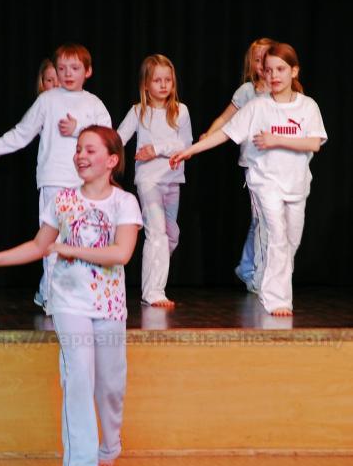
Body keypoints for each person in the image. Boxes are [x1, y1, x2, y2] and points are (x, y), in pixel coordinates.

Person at [0, 126, 143, 466]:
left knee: (110, 384)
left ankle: (109, 443)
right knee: (78, 375)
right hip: (68, 301)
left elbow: (121, 253)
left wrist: (71, 249)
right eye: (78, 149)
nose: (81, 156)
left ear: (111, 160)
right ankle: (80, 462)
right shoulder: (62, 199)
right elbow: (39, 245)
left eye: (90, 150)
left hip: (108, 305)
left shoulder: (125, 203)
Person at [170, 43, 327, 317]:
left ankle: (272, 288)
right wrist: (191, 150)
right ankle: (277, 298)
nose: (274, 76)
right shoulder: (257, 107)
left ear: (294, 71)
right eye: (269, 70)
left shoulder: (308, 106)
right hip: (264, 181)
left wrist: (276, 139)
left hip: (296, 183)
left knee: (291, 240)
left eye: (280, 69)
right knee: (276, 234)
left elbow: (314, 143)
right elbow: (226, 133)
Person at [0, 43, 112, 311]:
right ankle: (53, 302)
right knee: (52, 241)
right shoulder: (47, 101)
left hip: (86, 184)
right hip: (54, 180)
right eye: (62, 68)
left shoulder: (94, 104)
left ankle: (52, 294)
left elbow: (108, 139)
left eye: (75, 68)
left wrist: (79, 129)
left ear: (88, 71)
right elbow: (20, 134)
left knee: (82, 241)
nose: (68, 74)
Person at [199, 37, 274, 294]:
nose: (262, 65)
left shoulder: (284, 90)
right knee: (262, 219)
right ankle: (258, 275)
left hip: (280, 165)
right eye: (257, 60)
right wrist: (209, 135)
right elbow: (225, 118)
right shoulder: (246, 92)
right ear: (251, 64)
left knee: (267, 221)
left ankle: (248, 267)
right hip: (254, 164)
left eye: (266, 59)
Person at [117, 54, 193, 308]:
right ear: (146, 84)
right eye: (157, 80)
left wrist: (156, 149)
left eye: (167, 80)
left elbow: (186, 145)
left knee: (171, 236)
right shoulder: (138, 111)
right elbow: (118, 138)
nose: (163, 85)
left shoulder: (181, 111)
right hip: (148, 181)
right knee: (156, 232)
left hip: (172, 181)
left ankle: (154, 277)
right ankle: (153, 292)